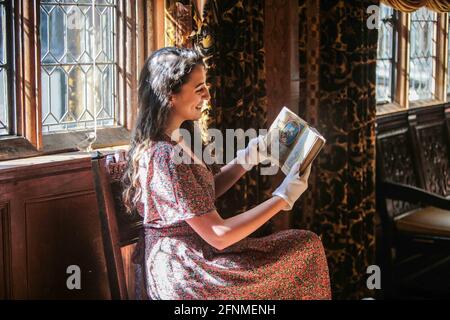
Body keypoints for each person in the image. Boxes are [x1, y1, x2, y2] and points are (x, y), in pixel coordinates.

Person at [122, 47, 331, 300]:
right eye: (199, 88)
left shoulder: (178, 138)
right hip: (186, 272)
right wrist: (283, 198)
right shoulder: (165, 156)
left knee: (304, 245)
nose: (208, 95)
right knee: (304, 248)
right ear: (170, 94)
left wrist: (248, 157)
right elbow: (219, 235)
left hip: (201, 253)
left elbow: (202, 194)